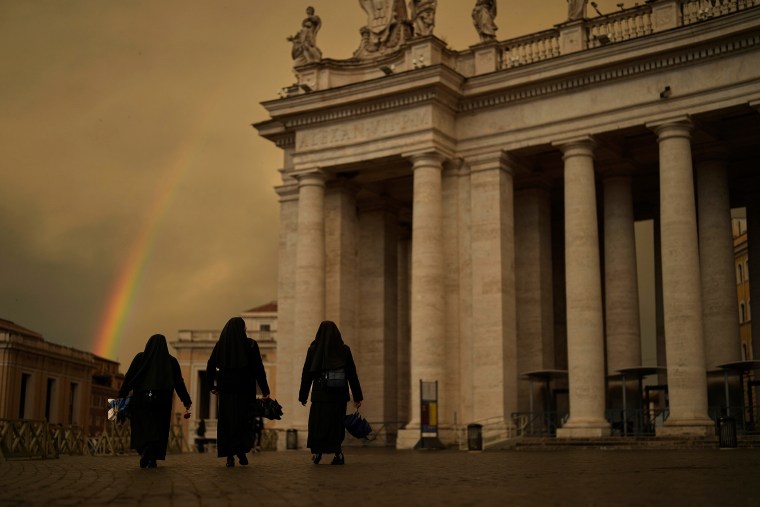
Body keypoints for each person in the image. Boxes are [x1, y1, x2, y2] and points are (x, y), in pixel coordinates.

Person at [118, 334, 192, 469]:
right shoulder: (171, 361)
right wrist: (186, 401)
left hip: (141, 400)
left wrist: (119, 401)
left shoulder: (140, 358)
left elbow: (128, 380)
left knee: (142, 428)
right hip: (162, 401)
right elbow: (178, 383)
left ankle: (145, 451)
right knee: (159, 429)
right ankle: (152, 457)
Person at [207, 316, 271, 467]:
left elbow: (210, 366)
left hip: (226, 390)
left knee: (227, 422)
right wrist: (265, 390)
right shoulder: (251, 345)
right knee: (243, 422)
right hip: (245, 391)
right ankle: (241, 452)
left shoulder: (220, 345)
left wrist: (212, 386)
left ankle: (229, 456)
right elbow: (258, 369)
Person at [299, 321, 363, 465]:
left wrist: (303, 396)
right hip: (338, 396)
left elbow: (306, 375)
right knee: (336, 426)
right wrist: (357, 397)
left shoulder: (314, 350)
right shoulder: (344, 350)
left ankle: (317, 453)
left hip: (320, 395)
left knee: (318, 425)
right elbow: (352, 374)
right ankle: (338, 453)